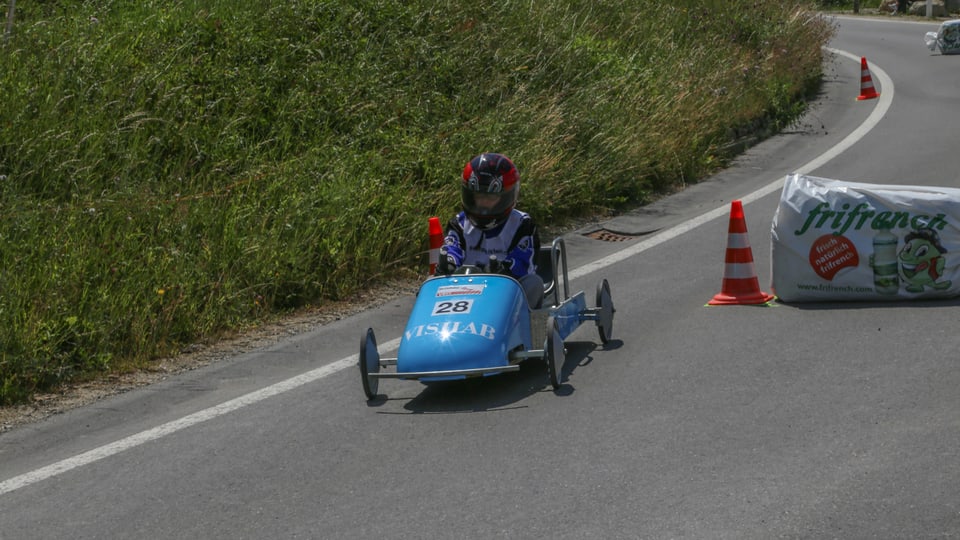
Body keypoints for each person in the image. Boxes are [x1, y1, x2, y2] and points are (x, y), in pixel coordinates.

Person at [438, 152, 544, 309]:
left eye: (490, 198)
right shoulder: (459, 224)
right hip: (462, 292)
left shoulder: (522, 225)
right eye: (478, 196)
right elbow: (451, 249)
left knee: (534, 283)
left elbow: (524, 262)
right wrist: (449, 263)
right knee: (430, 282)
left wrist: (502, 270)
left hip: (505, 294)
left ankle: (523, 329)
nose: (483, 203)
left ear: (506, 197)